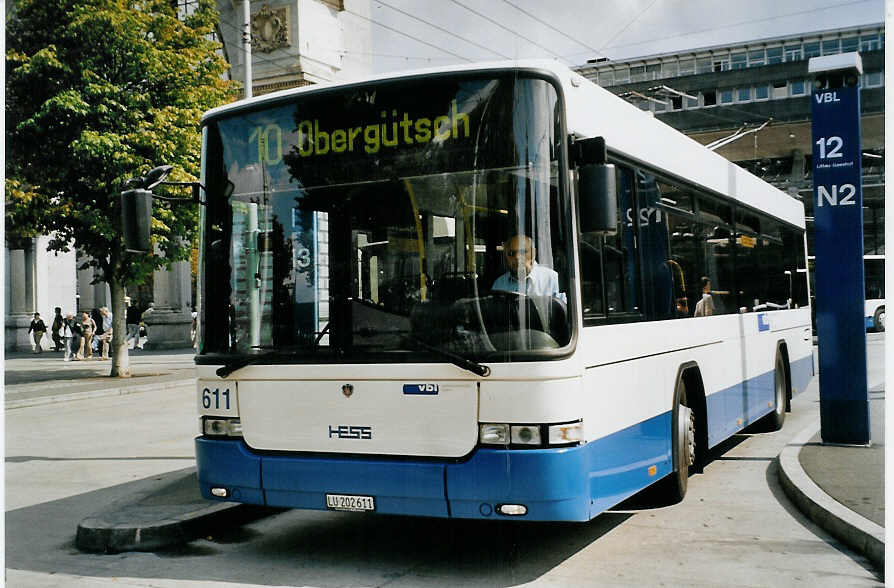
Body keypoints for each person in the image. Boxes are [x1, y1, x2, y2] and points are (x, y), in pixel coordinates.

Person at [492, 234, 565, 302]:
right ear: (506, 257)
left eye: (523, 252)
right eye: (511, 253)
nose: (517, 257)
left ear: (533, 253)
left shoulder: (551, 278)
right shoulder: (499, 284)